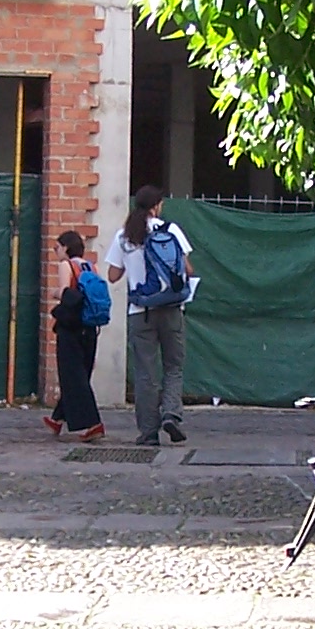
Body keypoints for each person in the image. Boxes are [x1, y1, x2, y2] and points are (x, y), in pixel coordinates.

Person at [101, 185, 194, 446]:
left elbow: (113, 275)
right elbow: (187, 268)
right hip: (172, 310)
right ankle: (171, 415)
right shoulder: (171, 230)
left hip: (140, 312)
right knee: (174, 366)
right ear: (157, 206)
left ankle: (148, 432)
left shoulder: (124, 236)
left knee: (145, 373)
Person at [45, 230, 107, 441]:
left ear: (66, 248)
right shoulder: (92, 266)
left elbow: (65, 293)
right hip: (90, 327)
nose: (56, 252)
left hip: (71, 326)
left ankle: (92, 424)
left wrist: (54, 293)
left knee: (72, 375)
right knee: (81, 372)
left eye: (57, 248)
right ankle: (57, 418)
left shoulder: (67, 265)